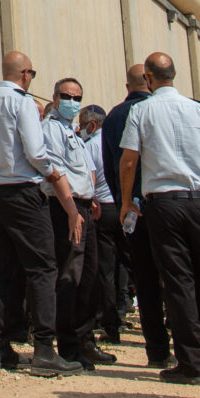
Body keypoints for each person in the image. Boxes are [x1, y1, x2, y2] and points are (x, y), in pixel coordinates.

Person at [117, 52, 200, 385]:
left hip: (164, 203)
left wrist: (127, 201)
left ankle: (191, 362)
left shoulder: (141, 111)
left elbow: (129, 161)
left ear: (149, 79)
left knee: (178, 281)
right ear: (174, 75)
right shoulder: (199, 110)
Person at [0, 50, 80, 375]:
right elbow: (36, 150)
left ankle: (1, 347)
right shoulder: (23, 102)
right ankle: (44, 347)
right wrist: (51, 173)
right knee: (42, 267)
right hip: (23, 190)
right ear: (26, 74)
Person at [102, 62, 171, 364]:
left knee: (144, 277)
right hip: (167, 203)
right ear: (151, 81)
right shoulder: (163, 109)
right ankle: (189, 346)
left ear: (127, 86)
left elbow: (111, 165)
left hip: (130, 209)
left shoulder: (115, 116)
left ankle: (156, 349)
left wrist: (122, 202)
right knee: (176, 275)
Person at [37, 77, 105, 369]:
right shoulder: (51, 129)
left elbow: (87, 171)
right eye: (67, 96)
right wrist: (71, 211)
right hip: (65, 207)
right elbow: (55, 173)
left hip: (83, 207)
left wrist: (89, 201)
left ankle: (81, 340)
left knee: (87, 277)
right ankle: (67, 346)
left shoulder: (73, 133)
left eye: (77, 97)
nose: (72, 102)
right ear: (55, 97)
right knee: (68, 278)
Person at [80, 102, 126, 347]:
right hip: (123, 207)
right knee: (130, 264)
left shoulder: (89, 146)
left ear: (92, 124)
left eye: (82, 124)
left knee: (104, 270)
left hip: (101, 209)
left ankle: (110, 325)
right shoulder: (115, 141)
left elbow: (90, 177)